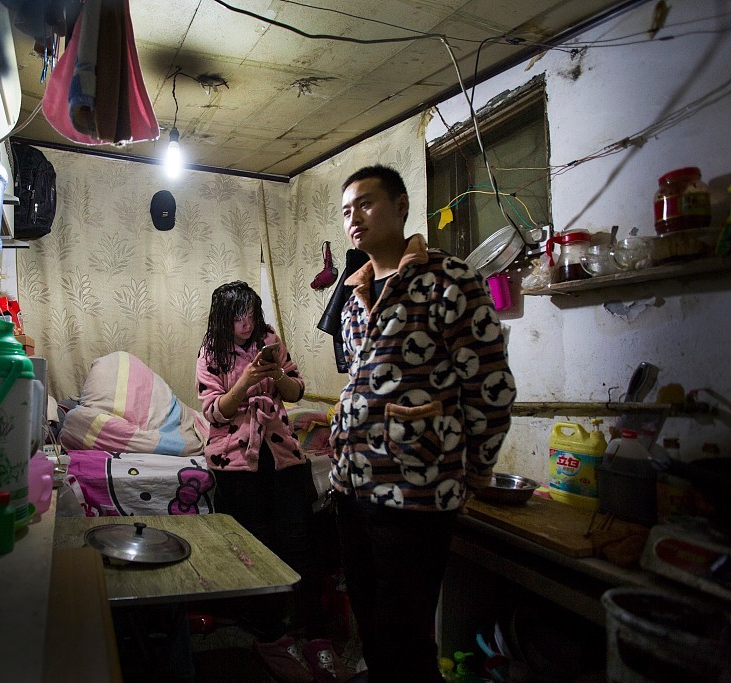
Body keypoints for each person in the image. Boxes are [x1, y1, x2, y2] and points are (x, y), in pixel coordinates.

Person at [330, 166, 515, 682]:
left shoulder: (450, 280)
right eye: (346, 211)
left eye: (366, 203)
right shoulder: (354, 295)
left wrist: (475, 469)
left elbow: (491, 388)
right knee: (372, 628)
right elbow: (364, 382)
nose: (354, 218)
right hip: (352, 487)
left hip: (416, 491)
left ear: (401, 206)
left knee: (405, 637)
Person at [196, 281, 342, 680]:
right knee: (255, 547)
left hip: (281, 451)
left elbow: (295, 391)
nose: (246, 324)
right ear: (223, 318)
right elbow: (215, 412)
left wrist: (276, 373)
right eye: (237, 317)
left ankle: (315, 634)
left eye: (250, 315)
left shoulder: (269, 338)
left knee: (299, 542)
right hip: (234, 457)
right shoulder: (211, 351)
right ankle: (271, 636)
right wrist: (245, 382)